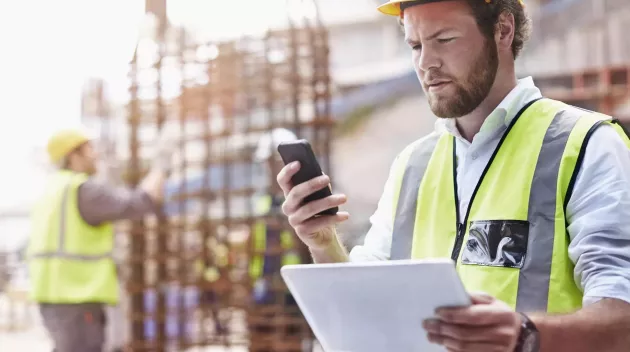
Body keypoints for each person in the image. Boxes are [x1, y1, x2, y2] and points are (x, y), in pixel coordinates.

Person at [276, 1, 630, 351]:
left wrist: (526, 334)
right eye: (415, 45)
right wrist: (324, 243)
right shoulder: (412, 165)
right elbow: (364, 303)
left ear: (503, 30)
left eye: (444, 39)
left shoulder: (586, 144)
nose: (425, 62)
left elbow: (622, 319)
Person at [27, 127, 173, 352]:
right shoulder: (83, 190)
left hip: (53, 297)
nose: (95, 155)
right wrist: (161, 167)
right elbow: (139, 202)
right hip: (77, 296)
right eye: (89, 149)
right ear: (73, 155)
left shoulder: (52, 190)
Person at [249, 128, 304, 352]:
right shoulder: (260, 200)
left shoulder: (303, 198)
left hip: (293, 289)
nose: (270, 169)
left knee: (290, 345)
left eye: (275, 162)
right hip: (263, 288)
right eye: (268, 163)